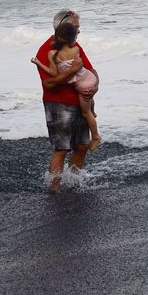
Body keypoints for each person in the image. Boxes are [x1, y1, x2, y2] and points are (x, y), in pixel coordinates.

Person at [32, 10, 101, 192]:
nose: (79, 31)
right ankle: (55, 188)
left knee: (82, 146)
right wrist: (71, 71)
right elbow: (49, 84)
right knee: (62, 149)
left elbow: (90, 69)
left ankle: (73, 182)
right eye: (76, 27)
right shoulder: (47, 49)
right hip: (58, 103)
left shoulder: (74, 45)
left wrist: (95, 86)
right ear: (63, 26)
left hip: (79, 100)